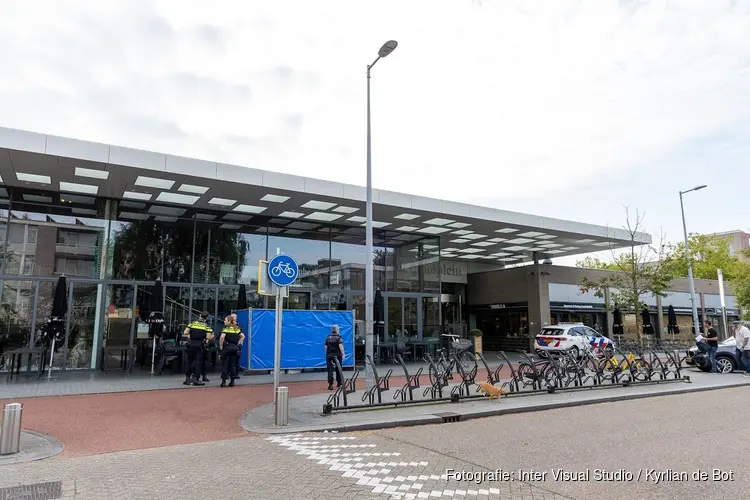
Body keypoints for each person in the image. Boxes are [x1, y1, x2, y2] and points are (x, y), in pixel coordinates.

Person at [183, 312, 213, 386]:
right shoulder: (206, 326)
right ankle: (196, 379)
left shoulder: (192, 324)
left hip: (191, 344)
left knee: (189, 361)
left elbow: (185, 332)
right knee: (198, 362)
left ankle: (187, 379)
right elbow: (208, 337)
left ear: (199, 316)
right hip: (199, 345)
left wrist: (192, 335)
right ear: (206, 318)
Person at [219, 315, 245, 387]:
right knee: (233, 364)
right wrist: (238, 344)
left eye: (225, 320)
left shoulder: (226, 328)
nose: (224, 321)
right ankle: (232, 381)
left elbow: (222, 337)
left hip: (227, 348)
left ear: (229, 321)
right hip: (234, 348)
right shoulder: (236, 328)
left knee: (225, 364)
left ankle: (223, 381)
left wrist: (221, 345)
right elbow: (243, 336)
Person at [324, 324, 345, 391]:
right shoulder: (338, 337)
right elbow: (340, 346)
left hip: (329, 354)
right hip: (337, 354)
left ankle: (330, 383)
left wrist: (327, 354)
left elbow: (325, 347)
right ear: (337, 330)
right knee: (338, 368)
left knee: (330, 369)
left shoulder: (328, 337)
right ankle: (339, 382)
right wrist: (343, 354)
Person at [231, 313, 242, 378]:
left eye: (234, 317)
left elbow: (242, 335)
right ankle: (230, 373)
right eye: (232, 317)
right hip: (231, 344)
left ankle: (236, 373)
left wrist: (239, 344)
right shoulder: (228, 326)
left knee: (237, 360)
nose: (233, 318)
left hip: (237, 344)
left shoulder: (239, 326)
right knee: (230, 360)